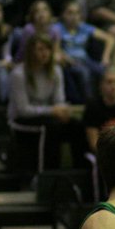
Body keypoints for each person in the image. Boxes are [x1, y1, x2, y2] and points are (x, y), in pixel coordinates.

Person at [7, 34, 86, 173]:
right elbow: (23, 109)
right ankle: (46, 175)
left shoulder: (56, 71)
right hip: (21, 120)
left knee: (76, 125)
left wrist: (62, 110)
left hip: (47, 115)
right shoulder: (19, 74)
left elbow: (59, 100)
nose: (45, 53)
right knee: (51, 128)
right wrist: (53, 111)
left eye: (48, 49)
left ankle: (79, 172)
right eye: (40, 49)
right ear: (31, 52)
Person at [55, 0, 115, 95]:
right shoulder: (57, 28)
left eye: (77, 13)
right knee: (84, 73)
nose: (74, 17)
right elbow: (55, 48)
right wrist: (65, 57)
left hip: (85, 59)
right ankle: (89, 103)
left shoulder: (83, 27)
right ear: (63, 15)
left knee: (104, 71)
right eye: (70, 13)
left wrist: (105, 57)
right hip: (68, 61)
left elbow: (110, 39)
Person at [83, 67, 115, 153]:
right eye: (109, 82)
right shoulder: (93, 106)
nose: (113, 86)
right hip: (100, 154)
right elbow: (94, 143)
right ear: (101, 85)